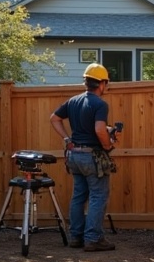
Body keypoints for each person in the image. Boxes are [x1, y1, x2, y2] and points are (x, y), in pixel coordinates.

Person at [50, 63, 119, 252]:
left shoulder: (73, 101)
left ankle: (76, 237)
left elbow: (54, 118)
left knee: (79, 197)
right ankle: (93, 238)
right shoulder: (100, 104)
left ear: (86, 82)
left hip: (74, 156)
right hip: (92, 157)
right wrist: (108, 144)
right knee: (98, 195)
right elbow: (98, 129)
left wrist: (67, 138)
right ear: (102, 83)